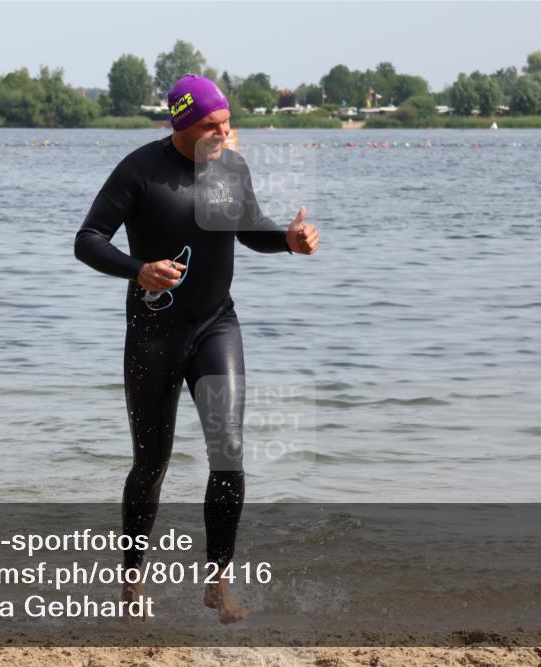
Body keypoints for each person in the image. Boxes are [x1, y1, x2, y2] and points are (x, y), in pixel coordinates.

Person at [74, 74, 319, 624]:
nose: (225, 133)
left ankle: (218, 583)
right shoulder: (140, 170)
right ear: (181, 124)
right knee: (151, 465)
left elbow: (248, 227)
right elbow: (87, 240)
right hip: (153, 335)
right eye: (213, 125)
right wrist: (139, 269)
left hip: (215, 326)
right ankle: (132, 581)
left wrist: (286, 241)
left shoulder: (228, 167)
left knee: (228, 453)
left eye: (227, 122)